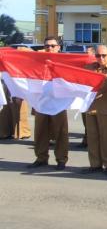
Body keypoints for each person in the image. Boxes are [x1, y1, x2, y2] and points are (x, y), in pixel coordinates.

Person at [27, 36, 69, 170]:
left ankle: (61, 159)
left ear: (59, 47)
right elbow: (22, 58)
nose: (49, 48)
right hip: (41, 103)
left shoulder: (65, 62)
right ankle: (41, 158)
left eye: (52, 45)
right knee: (40, 132)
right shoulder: (38, 61)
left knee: (60, 133)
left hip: (58, 104)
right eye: (46, 46)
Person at [81, 45, 107, 176]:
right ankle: (95, 164)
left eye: (104, 55)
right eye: (98, 55)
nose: (101, 58)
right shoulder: (89, 68)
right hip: (91, 106)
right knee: (92, 137)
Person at [78, 46, 96, 148]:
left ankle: (92, 141)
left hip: (95, 98)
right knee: (85, 119)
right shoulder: (84, 65)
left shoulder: (96, 65)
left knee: (93, 121)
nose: (85, 54)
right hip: (85, 97)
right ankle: (86, 139)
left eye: (88, 52)